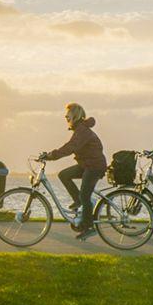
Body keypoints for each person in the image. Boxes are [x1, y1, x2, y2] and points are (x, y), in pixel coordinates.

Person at [39, 102, 105, 239]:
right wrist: (50, 155)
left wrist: (51, 155)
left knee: (85, 195)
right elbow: (70, 146)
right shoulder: (80, 129)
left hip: (94, 166)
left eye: (67, 114)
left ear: (75, 115)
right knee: (64, 175)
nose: (65, 117)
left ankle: (89, 227)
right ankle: (79, 201)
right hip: (87, 164)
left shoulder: (82, 130)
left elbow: (70, 147)